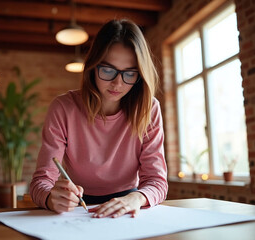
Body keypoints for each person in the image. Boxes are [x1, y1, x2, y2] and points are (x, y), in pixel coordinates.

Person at [30, 18, 167, 218]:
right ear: (93, 66)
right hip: (77, 205)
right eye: (108, 70)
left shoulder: (149, 109)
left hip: (128, 204)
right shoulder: (63, 108)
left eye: (130, 73)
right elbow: (41, 181)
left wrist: (137, 198)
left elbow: (157, 181)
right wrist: (51, 198)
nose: (117, 83)